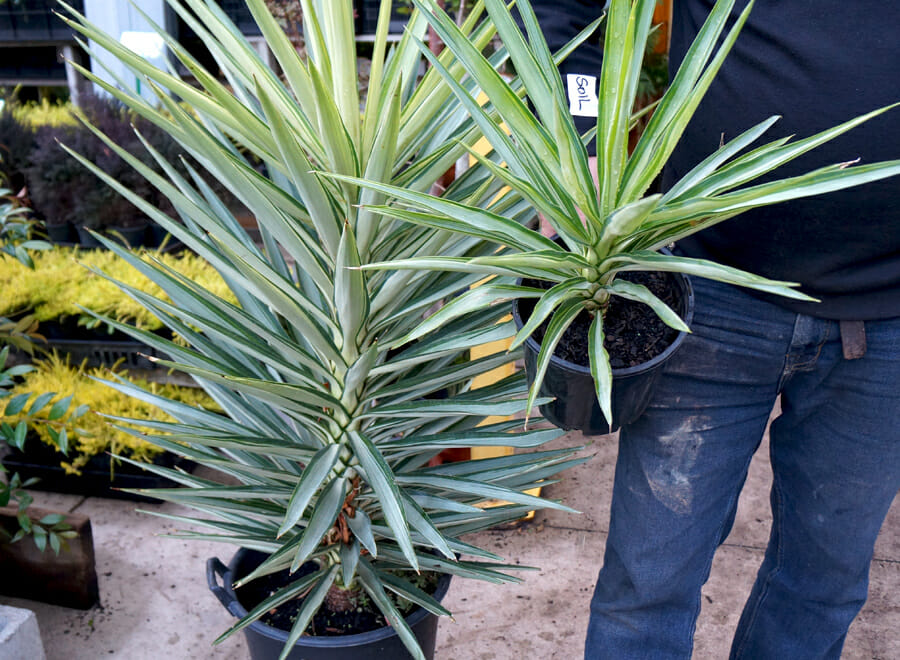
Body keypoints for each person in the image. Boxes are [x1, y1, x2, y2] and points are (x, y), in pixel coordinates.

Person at [530, 1, 900, 658]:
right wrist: (578, 137)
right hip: (706, 290)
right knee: (648, 585)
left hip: (888, 318)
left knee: (822, 588)